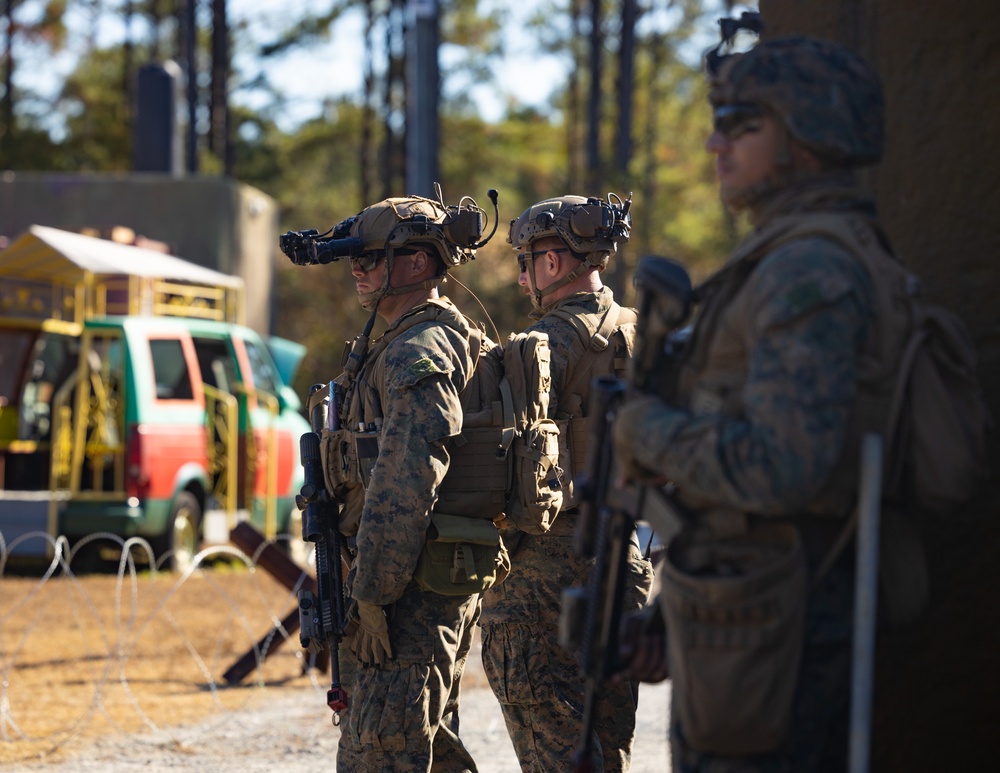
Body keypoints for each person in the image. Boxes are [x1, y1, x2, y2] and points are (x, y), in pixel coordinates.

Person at [611, 35, 889, 772]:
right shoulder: (787, 255)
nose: (713, 141)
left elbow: (783, 470)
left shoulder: (808, 267)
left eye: (741, 124)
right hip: (755, 611)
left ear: (807, 135)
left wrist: (645, 428)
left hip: (787, 634)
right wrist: (672, 616)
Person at [317, 193, 495, 772]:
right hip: (405, 582)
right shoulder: (389, 343)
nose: (357, 270)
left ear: (417, 264)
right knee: (428, 747)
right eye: (356, 259)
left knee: (382, 752)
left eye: (369, 258)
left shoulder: (420, 348)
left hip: (408, 591)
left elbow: (407, 479)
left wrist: (372, 592)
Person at [479, 194, 655, 771]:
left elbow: (490, 463)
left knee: (554, 745)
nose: (524, 276)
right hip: (624, 554)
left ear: (554, 263)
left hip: (544, 569)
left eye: (526, 261)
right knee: (607, 744)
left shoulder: (536, 348)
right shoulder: (646, 335)